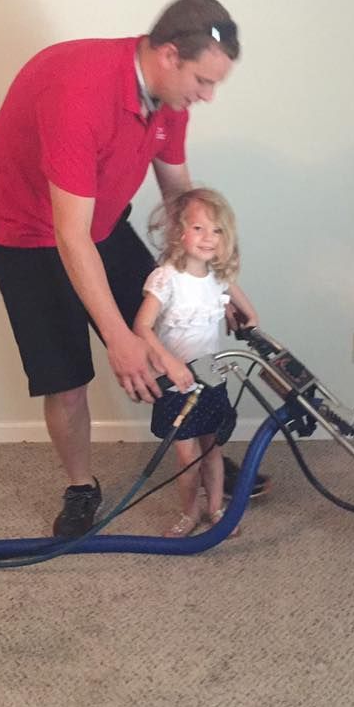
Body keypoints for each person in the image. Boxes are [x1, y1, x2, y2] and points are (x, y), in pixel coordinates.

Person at [0, 0, 269, 540]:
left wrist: (214, 281)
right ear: (168, 55)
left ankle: (196, 450)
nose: (208, 96)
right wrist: (119, 337)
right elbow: (70, 238)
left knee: (171, 332)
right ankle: (80, 486)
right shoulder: (79, 94)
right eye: (203, 82)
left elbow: (180, 198)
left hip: (98, 220)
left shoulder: (170, 101)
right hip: (25, 231)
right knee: (66, 378)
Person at [134, 188, 258, 536]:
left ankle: (216, 509)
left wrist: (249, 315)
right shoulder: (166, 278)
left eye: (217, 231)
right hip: (177, 383)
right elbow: (141, 328)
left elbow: (246, 306)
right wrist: (170, 364)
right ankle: (188, 514)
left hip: (211, 379)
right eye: (199, 228)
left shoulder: (218, 277)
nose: (208, 238)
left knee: (213, 450)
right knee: (187, 458)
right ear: (180, 232)